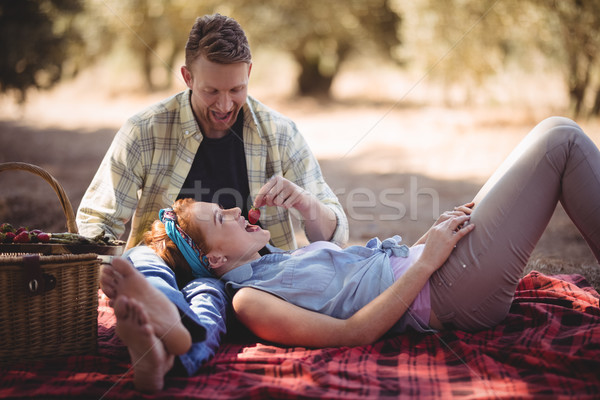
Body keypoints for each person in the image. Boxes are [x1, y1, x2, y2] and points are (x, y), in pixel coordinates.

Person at [100, 116, 600, 391]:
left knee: (550, 141)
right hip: (449, 294)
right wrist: (427, 263)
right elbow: (352, 333)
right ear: (213, 262)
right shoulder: (249, 300)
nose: (234, 212)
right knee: (560, 140)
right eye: (220, 219)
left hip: (438, 268)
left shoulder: (279, 259)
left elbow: (365, 268)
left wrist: (429, 240)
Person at [78, 13, 348, 383]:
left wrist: (306, 203)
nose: (224, 105)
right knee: (140, 257)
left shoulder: (281, 134)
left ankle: (167, 342)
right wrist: (108, 273)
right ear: (188, 77)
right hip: (166, 268)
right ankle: (160, 319)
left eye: (236, 90)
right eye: (211, 91)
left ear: (249, 73)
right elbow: (98, 224)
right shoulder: (144, 131)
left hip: (251, 284)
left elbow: (334, 234)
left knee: (216, 296)